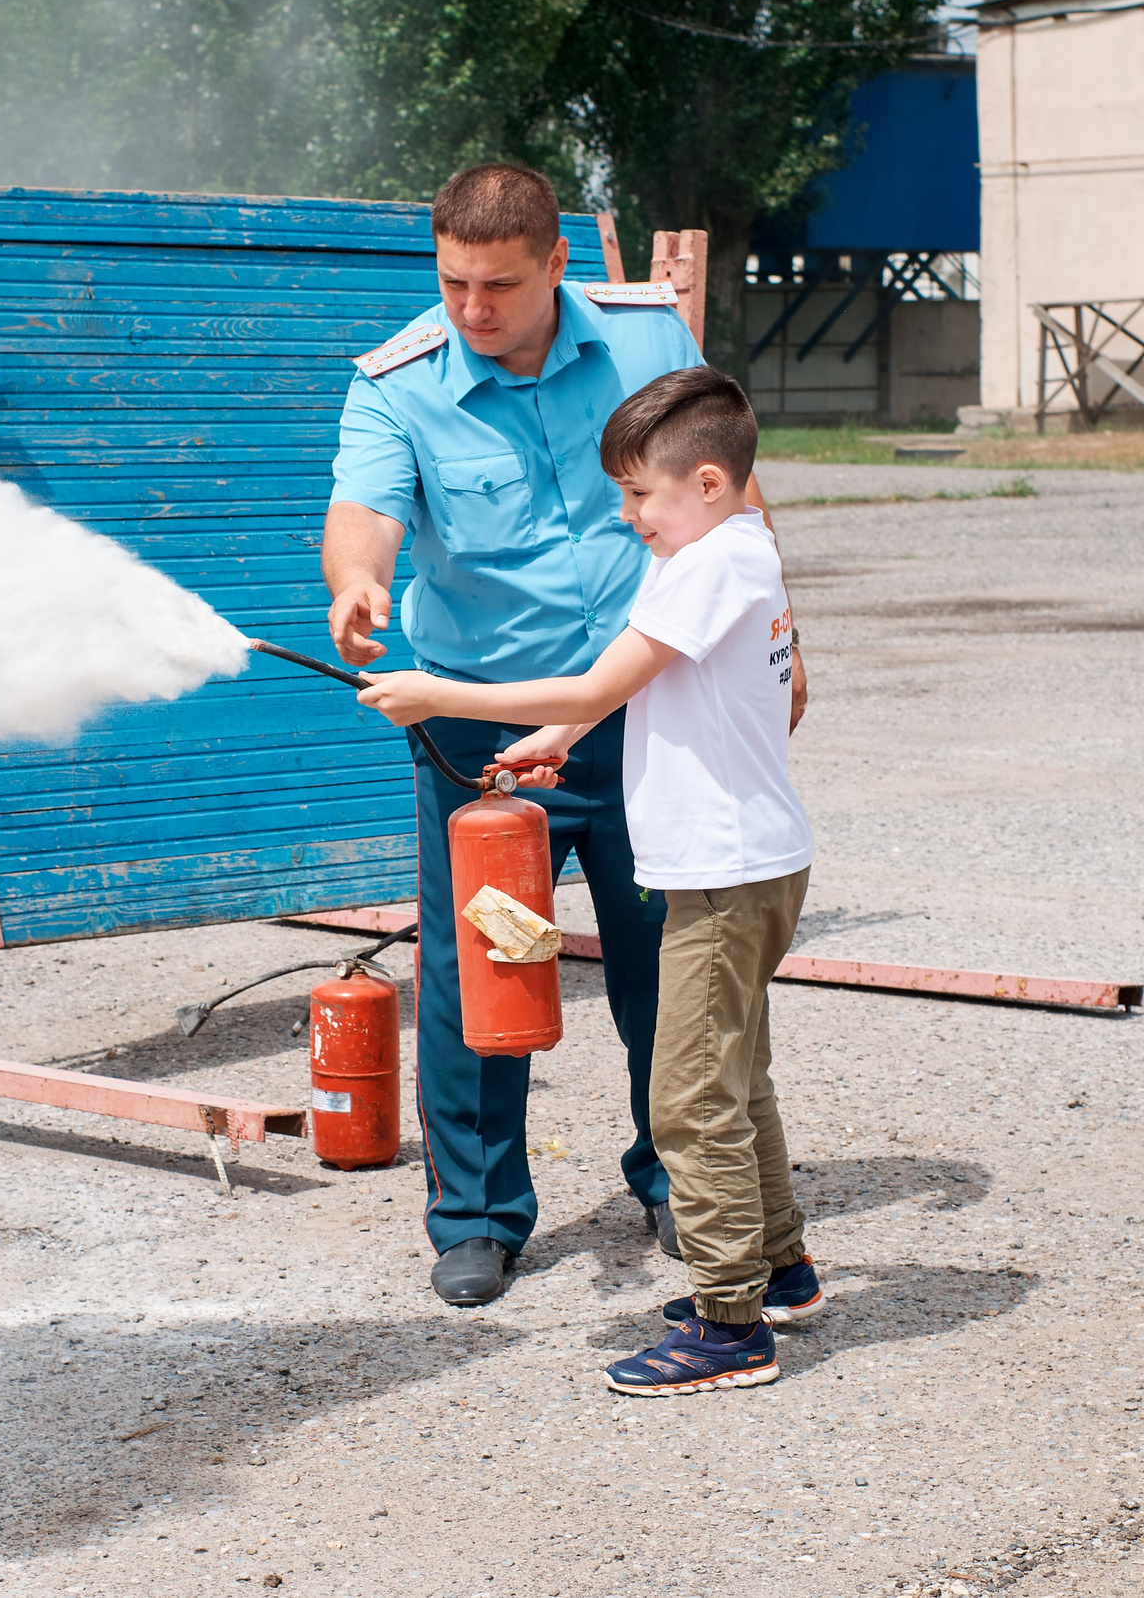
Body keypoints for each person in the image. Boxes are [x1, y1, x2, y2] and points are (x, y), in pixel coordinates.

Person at [325, 163, 798, 1308]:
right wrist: (355, 584)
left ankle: (679, 1184)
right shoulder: (397, 381)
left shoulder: (645, 338)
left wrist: (789, 640)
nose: (470, 308)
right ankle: (478, 1214)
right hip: (490, 740)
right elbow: (362, 512)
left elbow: (730, 491)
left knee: (665, 971)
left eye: (496, 284)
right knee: (484, 974)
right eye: (452, 282)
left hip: (650, 719)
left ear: (554, 265)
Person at [358, 366, 820, 1395]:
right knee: (736, 1076)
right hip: (747, 861)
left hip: (724, 872)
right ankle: (779, 1267)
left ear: (707, 482)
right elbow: (623, 679)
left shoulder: (713, 562)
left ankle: (728, 1322)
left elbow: (597, 679)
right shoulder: (716, 548)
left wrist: (444, 691)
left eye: (639, 494)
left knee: (690, 1096)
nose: (626, 514)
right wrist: (550, 742)